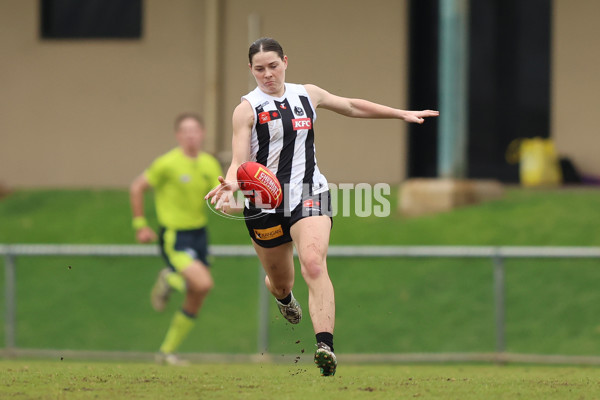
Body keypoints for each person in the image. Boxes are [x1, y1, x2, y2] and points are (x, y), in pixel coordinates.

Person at [205, 37, 438, 376]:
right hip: (264, 203)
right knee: (280, 281)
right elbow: (240, 160)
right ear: (251, 70)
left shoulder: (307, 94)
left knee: (313, 264)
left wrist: (400, 113)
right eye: (259, 69)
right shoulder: (246, 110)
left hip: (309, 193)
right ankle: (283, 298)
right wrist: (231, 184)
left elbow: (352, 106)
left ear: (285, 61)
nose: (267, 74)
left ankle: (325, 347)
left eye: (273, 66)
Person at [130, 112, 222, 365]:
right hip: (175, 236)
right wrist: (140, 225)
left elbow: (221, 198)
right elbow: (137, 186)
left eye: (195, 130)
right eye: (186, 131)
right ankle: (169, 277)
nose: (191, 135)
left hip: (200, 235)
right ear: (178, 135)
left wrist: (250, 201)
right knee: (203, 284)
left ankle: (166, 352)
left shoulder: (209, 164)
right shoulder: (167, 164)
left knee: (197, 294)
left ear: (202, 134)